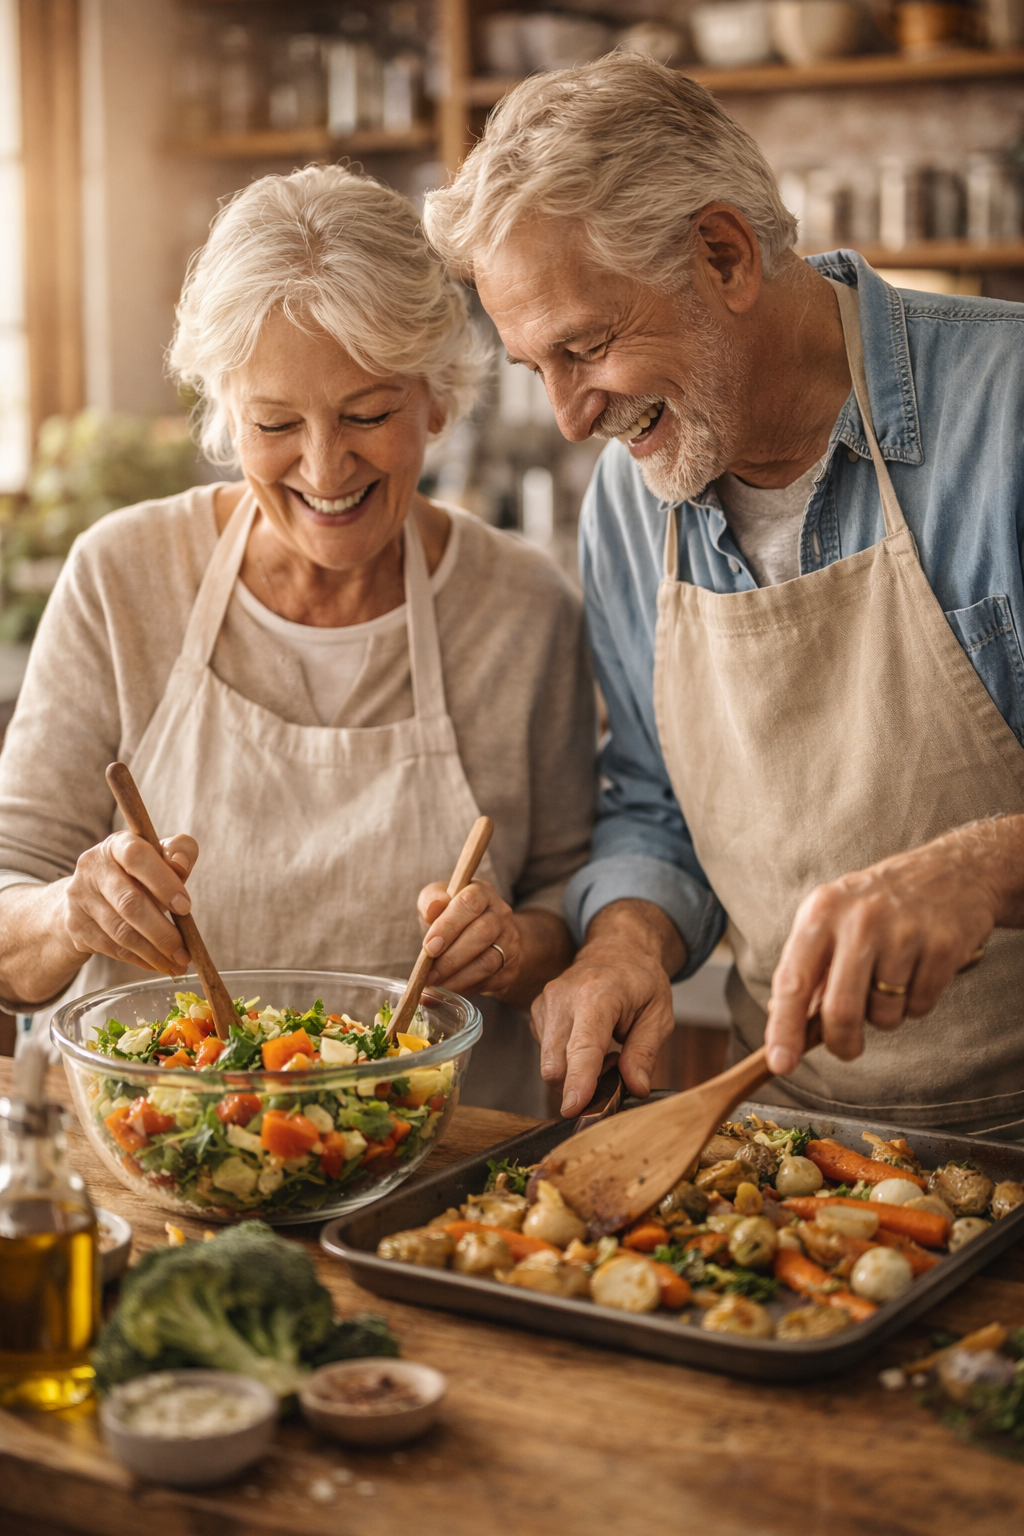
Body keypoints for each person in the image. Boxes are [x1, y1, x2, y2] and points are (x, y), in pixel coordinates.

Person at [424, 53, 1024, 1135]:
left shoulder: (1009, 414)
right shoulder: (629, 501)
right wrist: (626, 943)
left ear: (724, 254)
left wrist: (982, 869)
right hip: (793, 1139)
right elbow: (654, 801)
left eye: (586, 347)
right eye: (534, 368)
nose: (569, 417)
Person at [0, 165, 594, 1021]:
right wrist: (69, 913)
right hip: (155, 1108)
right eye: (275, 423)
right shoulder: (120, 578)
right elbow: (10, 921)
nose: (323, 468)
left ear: (435, 398)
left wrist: (513, 945)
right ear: (227, 415)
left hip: (428, 1114)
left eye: (366, 415)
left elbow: (572, 901)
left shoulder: (524, 608)